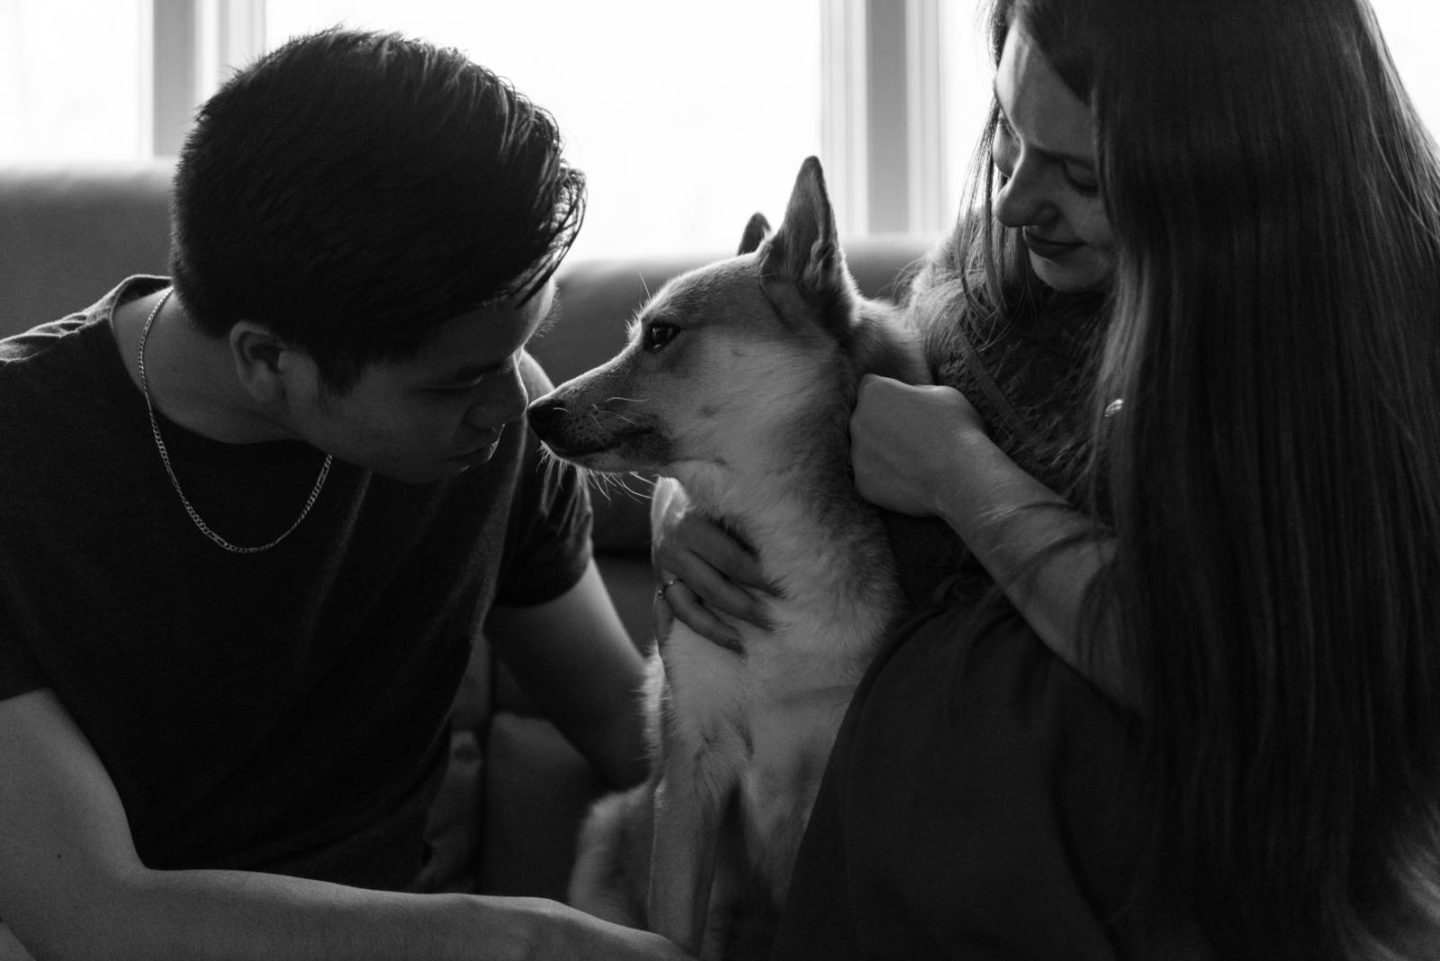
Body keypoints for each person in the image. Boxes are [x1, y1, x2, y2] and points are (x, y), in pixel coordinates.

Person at [658, 0, 1440, 958]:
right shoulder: (984, 293)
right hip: (897, 903)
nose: (1016, 200)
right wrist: (692, 517)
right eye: (1008, 136)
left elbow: (1220, 665)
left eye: (1078, 174)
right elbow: (806, 451)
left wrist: (963, 477)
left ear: (1238, 188)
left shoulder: (1362, 388)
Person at [0, 28, 689, 961]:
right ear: (266, 360)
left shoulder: (499, 418)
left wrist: (721, 586)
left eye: (517, 351)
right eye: (454, 382)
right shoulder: (22, 460)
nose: (512, 406)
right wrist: (519, 940)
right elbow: (92, 914)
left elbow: (621, 723)